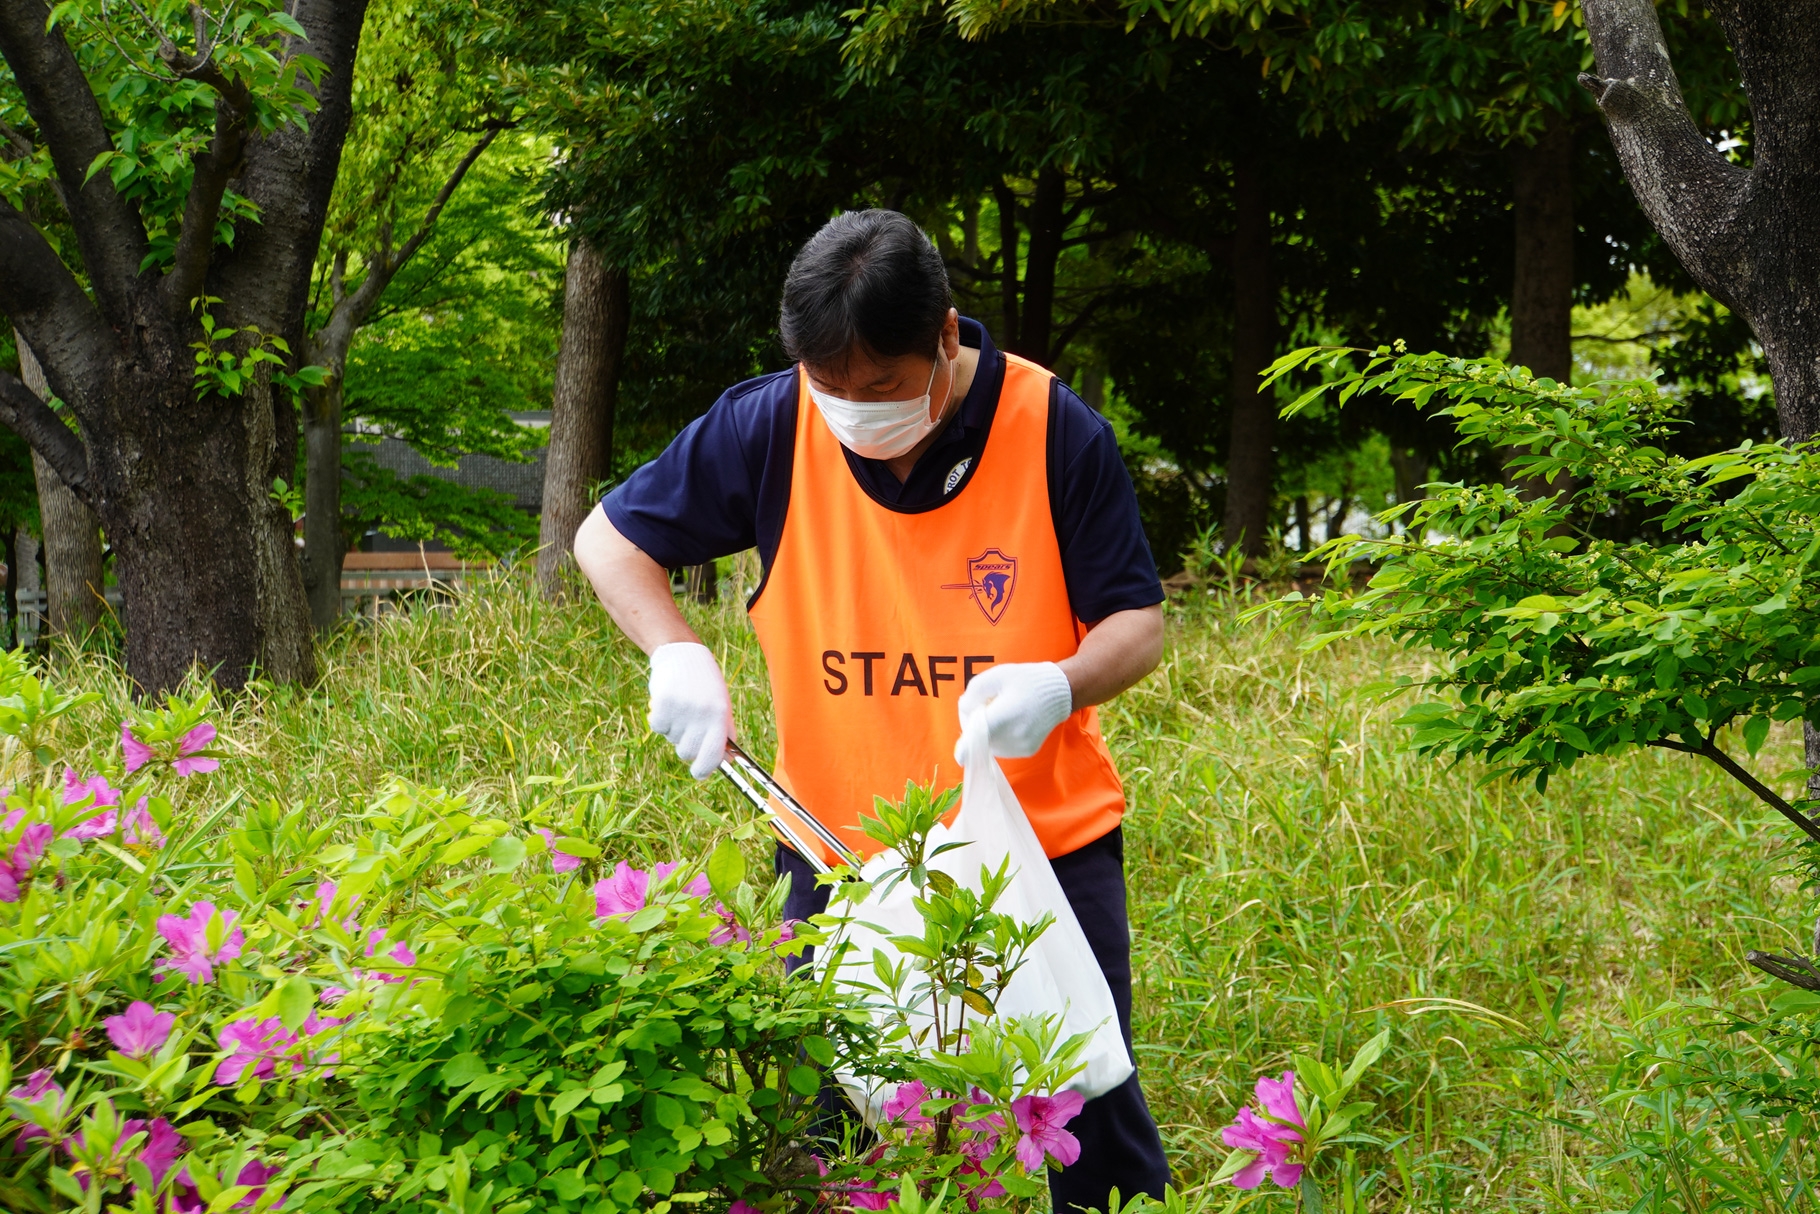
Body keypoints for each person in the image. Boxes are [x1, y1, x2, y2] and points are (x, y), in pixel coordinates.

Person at [574, 209, 1170, 1212]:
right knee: (828, 1133)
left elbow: (1137, 623)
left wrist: (1061, 682)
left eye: (882, 389)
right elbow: (607, 540)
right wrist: (672, 647)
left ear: (943, 336)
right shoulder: (768, 423)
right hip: (835, 850)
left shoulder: (1051, 426)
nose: (853, 411)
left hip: (1035, 846)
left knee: (1085, 1126)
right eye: (828, 386)